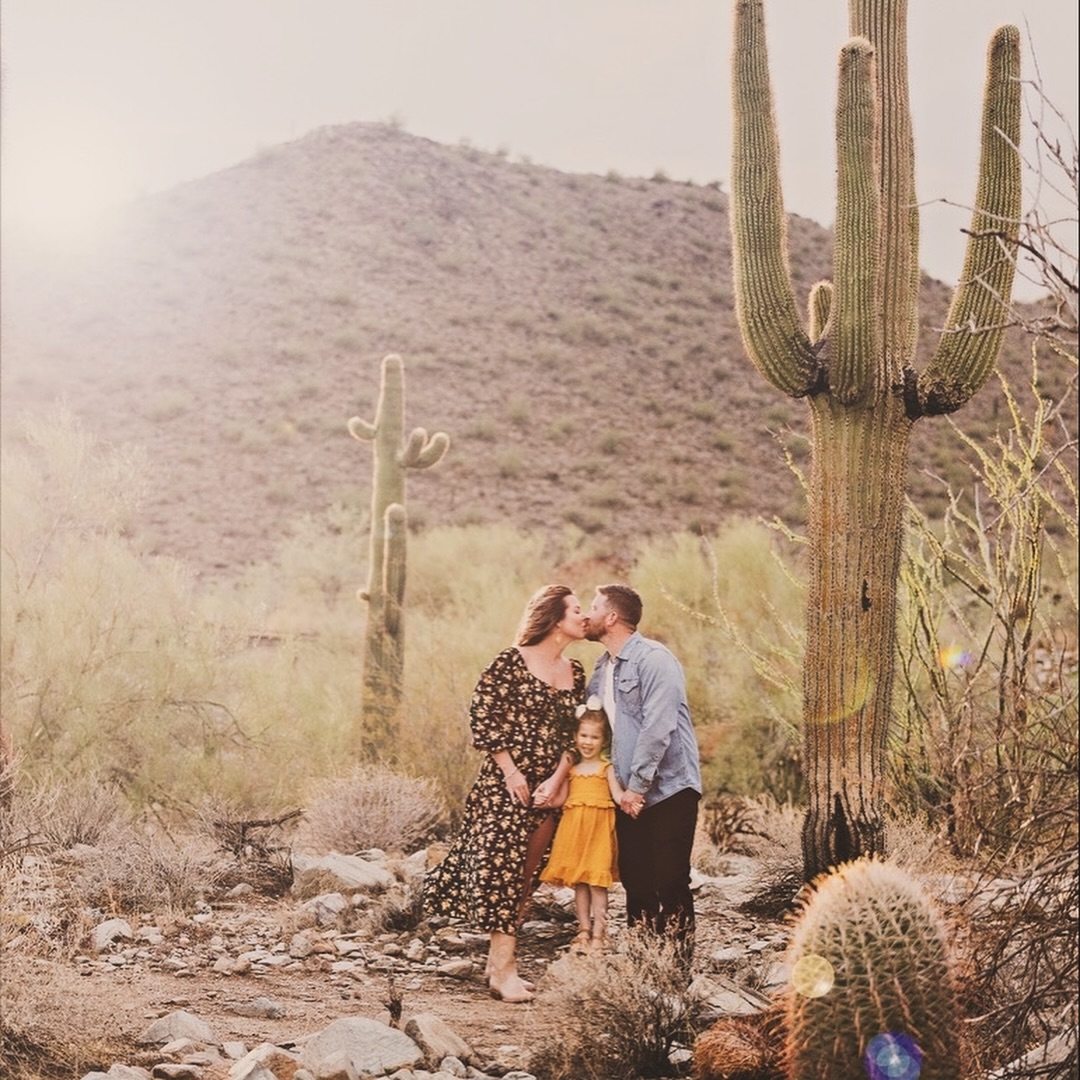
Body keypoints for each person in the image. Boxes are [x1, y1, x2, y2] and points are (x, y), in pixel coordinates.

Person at [423, 584, 587, 1003]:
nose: (584, 616)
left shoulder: (577, 671)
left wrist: (559, 778)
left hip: (550, 789)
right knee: (503, 871)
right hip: (506, 786)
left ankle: (501, 965)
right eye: (576, 610)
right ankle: (503, 969)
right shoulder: (511, 661)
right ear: (553, 619)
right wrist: (512, 772)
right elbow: (483, 714)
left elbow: (581, 735)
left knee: (529, 874)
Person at [583, 583, 702, 967]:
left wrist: (636, 787)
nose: (588, 612)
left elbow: (659, 727)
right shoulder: (602, 669)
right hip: (627, 793)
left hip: (669, 789)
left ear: (613, 617)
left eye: (594, 606)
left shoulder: (655, 660)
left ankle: (677, 971)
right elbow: (593, 727)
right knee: (636, 882)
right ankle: (643, 965)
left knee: (670, 879)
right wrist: (619, 789)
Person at [539, 696, 625, 953]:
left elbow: (618, 795)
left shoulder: (606, 768)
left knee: (597, 882)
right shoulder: (572, 769)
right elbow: (562, 799)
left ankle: (600, 933)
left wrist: (631, 799)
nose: (588, 742)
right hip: (574, 831)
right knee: (580, 883)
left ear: (604, 740)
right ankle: (583, 930)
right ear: (576, 736)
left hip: (598, 832)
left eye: (594, 737)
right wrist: (544, 799)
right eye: (583, 736)